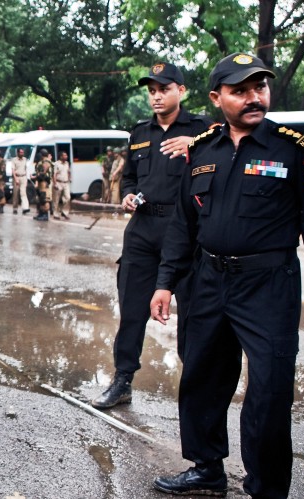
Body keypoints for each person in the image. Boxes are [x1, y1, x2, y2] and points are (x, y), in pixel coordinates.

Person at [149, 53, 304, 498]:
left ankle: (266, 487)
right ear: (217, 97)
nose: (254, 97)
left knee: (270, 390)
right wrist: (166, 282)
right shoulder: (202, 150)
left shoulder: (295, 148)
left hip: (268, 285)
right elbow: (184, 224)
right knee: (202, 377)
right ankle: (207, 468)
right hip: (208, 280)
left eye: (260, 87)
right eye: (241, 90)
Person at [91, 62, 213, 410]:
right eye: (152, 91)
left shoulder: (202, 127)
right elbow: (130, 177)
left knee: (191, 313)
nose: (157, 96)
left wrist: (195, 142)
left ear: (181, 91)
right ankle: (123, 380)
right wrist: (128, 194)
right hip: (143, 229)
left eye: (164, 89)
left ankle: (195, 388)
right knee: (131, 309)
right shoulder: (140, 132)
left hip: (186, 230)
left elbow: (226, 151)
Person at [32, 149, 52, 221]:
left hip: (45, 183)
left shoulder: (46, 162)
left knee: (45, 199)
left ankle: (45, 215)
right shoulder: (42, 162)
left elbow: (43, 172)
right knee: (41, 199)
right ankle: (41, 213)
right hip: (41, 182)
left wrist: (35, 177)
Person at [52, 151, 71, 220]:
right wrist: (55, 183)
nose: (66, 156)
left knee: (68, 197)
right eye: (64, 155)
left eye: (66, 155)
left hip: (65, 183)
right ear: (61, 157)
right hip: (58, 182)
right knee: (56, 199)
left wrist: (69, 178)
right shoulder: (56, 164)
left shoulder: (67, 163)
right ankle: (56, 214)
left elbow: (68, 171)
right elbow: (54, 174)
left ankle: (65, 212)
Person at [11, 148, 30, 215]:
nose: (22, 154)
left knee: (23, 193)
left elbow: (26, 169)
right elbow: (13, 170)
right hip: (17, 177)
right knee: (16, 194)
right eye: (21, 152)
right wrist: (15, 178)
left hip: (23, 177)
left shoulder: (25, 159)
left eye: (23, 152)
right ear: (18, 153)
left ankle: (25, 207)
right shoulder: (14, 160)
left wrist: (27, 178)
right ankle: (15, 208)